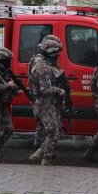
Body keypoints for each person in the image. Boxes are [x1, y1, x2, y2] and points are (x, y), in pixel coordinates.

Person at [28, 37, 66, 165]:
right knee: (54, 133)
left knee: (49, 130)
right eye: (57, 54)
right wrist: (60, 91)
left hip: (45, 103)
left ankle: (38, 153)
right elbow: (45, 89)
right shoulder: (43, 67)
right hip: (45, 104)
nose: (58, 56)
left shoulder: (45, 63)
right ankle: (46, 160)